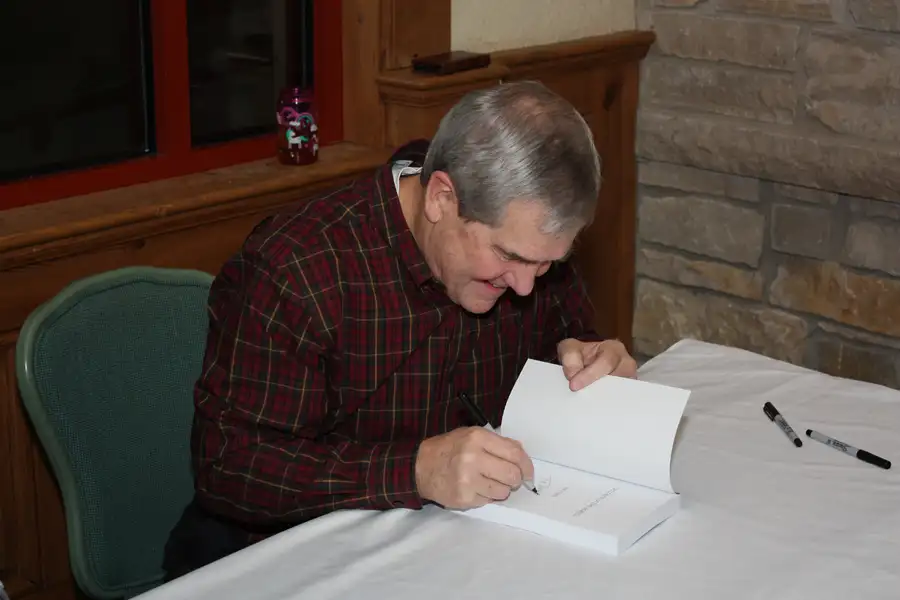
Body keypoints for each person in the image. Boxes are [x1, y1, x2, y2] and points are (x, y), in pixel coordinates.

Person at [162, 80, 637, 580]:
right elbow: (230, 466)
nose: (525, 286)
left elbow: (570, 331)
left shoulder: (526, 248)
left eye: (546, 265)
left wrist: (589, 360)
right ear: (441, 198)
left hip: (461, 548)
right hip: (289, 563)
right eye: (508, 256)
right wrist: (416, 470)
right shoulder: (297, 271)